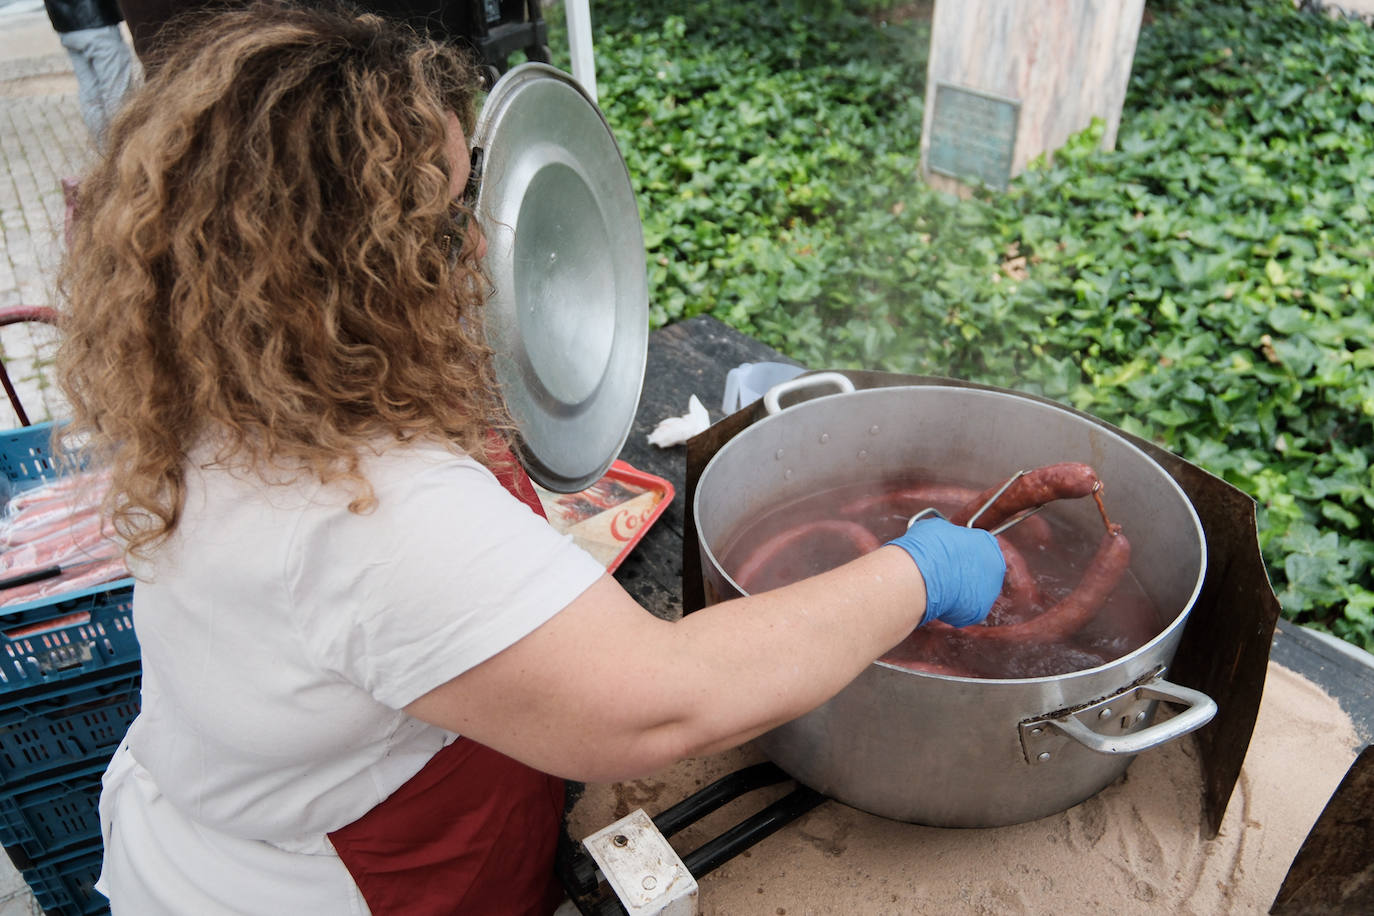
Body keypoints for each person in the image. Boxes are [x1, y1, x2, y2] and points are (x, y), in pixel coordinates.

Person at [54, 3, 1006, 913]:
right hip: (327, 887)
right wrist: (917, 572)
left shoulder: (228, 382)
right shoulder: (374, 518)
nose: (477, 243)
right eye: (443, 214)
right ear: (347, 270)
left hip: (255, 809)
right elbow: (663, 707)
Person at [42, 0, 135, 143]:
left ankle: (104, 150)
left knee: (91, 97)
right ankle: (122, 149)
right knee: (119, 95)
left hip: (65, 24)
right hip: (97, 22)